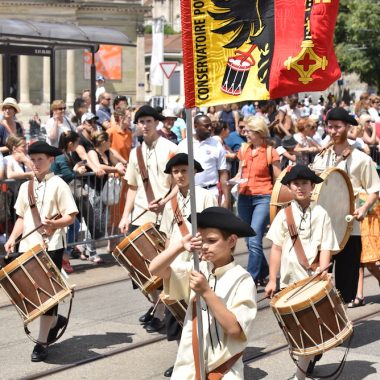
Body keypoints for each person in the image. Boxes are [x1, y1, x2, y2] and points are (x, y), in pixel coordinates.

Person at [149, 207, 257, 379]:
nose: (205, 246)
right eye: (202, 240)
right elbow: (155, 269)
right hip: (190, 365)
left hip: (224, 369)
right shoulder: (198, 269)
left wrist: (206, 292)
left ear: (231, 241)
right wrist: (179, 246)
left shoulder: (242, 279)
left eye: (212, 240)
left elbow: (234, 329)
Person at [4, 141, 78, 362]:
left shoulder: (58, 184)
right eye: (33, 159)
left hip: (51, 246)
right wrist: (12, 238)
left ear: (51, 161)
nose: (36, 163)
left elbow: (71, 216)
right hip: (28, 247)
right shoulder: (26, 186)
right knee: (32, 294)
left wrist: (54, 225)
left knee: (47, 296)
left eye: (40, 159)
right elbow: (20, 217)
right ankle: (54, 322)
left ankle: (42, 342)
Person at [264, 165, 340, 380]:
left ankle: (300, 374)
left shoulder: (321, 213)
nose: (300, 187)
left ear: (312, 186)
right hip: (290, 280)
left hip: (313, 277)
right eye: (296, 183)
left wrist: (324, 273)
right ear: (289, 186)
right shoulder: (283, 214)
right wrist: (272, 279)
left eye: (304, 183)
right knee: (296, 329)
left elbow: (326, 246)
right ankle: (307, 359)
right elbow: (276, 248)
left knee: (310, 327)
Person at [312, 107, 380, 306]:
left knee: (345, 287)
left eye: (338, 127)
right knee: (318, 278)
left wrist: (363, 208)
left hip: (349, 228)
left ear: (347, 128)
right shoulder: (322, 157)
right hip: (322, 226)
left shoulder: (361, 159)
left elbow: (374, 190)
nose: (333, 131)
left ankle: (342, 323)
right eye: (330, 127)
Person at [119, 105, 177, 332]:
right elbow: (132, 187)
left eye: (148, 121)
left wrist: (164, 202)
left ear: (157, 123)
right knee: (140, 269)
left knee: (161, 267)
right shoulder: (136, 153)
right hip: (140, 215)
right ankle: (157, 305)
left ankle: (161, 311)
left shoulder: (171, 149)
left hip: (164, 216)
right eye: (141, 122)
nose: (144, 125)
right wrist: (125, 215)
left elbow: (179, 185)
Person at [159, 153, 218, 378]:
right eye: (176, 172)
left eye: (184, 170)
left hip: (197, 261)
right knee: (176, 314)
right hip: (176, 264)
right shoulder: (170, 202)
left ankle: (204, 360)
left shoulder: (205, 196)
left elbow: (213, 231)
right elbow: (167, 235)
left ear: (193, 172)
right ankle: (182, 360)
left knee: (199, 312)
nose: (180, 175)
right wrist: (166, 260)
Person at [233, 116, 281, 286]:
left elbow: (278, 179)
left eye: (249, 131)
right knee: (247, 238)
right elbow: (240, 173)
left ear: (259, 133)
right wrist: (234, 180)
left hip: (263, 197)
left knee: (254, 238)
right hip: (244, 196)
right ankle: (264, 271)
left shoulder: (270, 152)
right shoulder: (244, 149)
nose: (245, 133)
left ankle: (251, 278)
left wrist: (278, 203)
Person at [51, 131, 87, 272]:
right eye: (77, 143)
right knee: (73, 225)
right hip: (56, 197)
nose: (78, 146)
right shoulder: (61, 157)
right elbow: (67, 176)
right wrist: (77, 170)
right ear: (70, 143)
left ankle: (64, 257)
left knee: (73, 225)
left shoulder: (65, 155)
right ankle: (63, 258)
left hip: (59, 196)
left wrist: (76, 168)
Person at [178, 114, 230, 207]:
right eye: (206, 126)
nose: (210, 128)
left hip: (211, 193)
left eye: (211, 125)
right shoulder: (184, 145)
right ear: (195, 126)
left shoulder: (216, 145)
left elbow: (223, 172)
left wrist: (226, 199)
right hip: (190, 193)